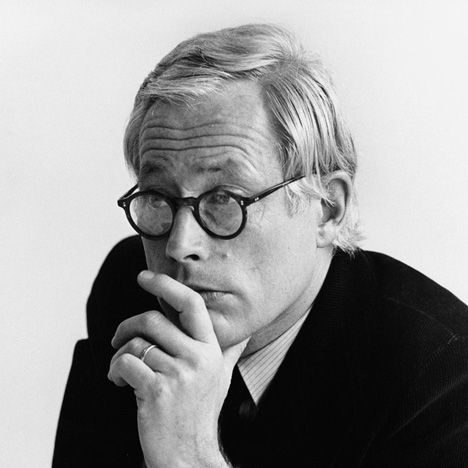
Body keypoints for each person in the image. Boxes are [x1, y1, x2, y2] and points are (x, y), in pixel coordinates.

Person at [53, 24, 468, 467]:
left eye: (224, 199)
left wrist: (188, 454)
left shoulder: (443, 376)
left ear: (327, 209)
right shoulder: (129, 289)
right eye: (158, 197)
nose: (179, 245)